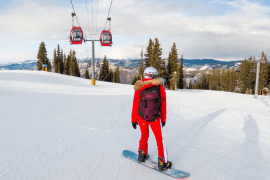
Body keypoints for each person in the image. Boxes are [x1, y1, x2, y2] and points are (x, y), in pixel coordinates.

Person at [131, 67, 172, 171]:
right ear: (154, 76)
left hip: (141, 118)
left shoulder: (139, 87)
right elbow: (163, 104)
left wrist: (134, 119)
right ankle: (162, 162)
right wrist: (163, 119)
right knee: (159, 140)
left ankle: (141, 155)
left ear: (145, 75)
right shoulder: (160, 87)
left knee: (144, 136)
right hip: (155, 119)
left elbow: (135, 104)